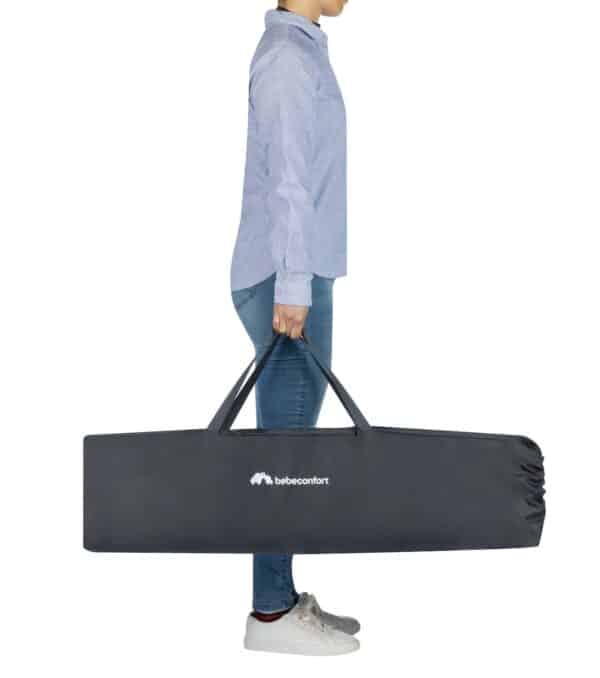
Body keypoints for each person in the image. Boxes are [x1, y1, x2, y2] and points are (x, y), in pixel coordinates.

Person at [230, 1, 359, 656]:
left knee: (288, 454)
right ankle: (271, 613)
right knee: (282, 460)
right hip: (289, 280)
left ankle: (279, 593)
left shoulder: (302, 48)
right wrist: (293, 286)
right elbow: (289, 182)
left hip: (299, 275)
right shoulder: (287, 59)